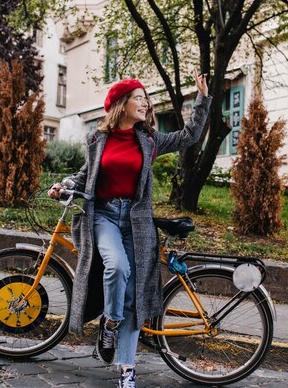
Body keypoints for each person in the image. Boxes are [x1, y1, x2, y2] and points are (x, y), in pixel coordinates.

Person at [48, 70, 211, 388]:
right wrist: (65, 185)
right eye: (140, 98)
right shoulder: (97, 139)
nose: (146, 103)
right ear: (122, 104)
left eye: (146, 99)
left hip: (136, 222)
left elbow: (188, 136)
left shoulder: (148, 139)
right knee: (117, 267)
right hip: (105, 216)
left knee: (134, 299)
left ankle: (126, 370)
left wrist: (202, 99)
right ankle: (109, 323)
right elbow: (85, 176)